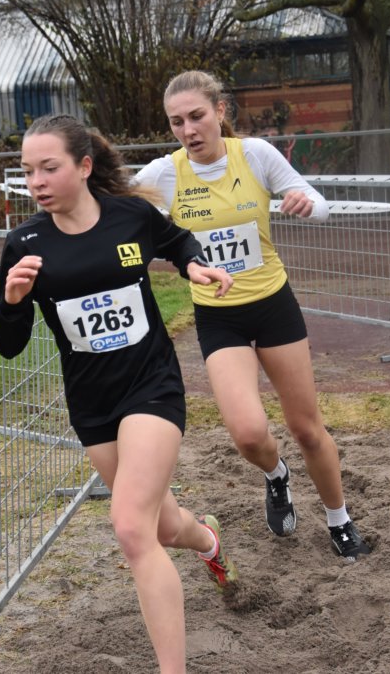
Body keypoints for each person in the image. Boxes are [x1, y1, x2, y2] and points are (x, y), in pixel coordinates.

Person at [0, 114, 237, 674]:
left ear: (83, 166)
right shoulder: (24, 243)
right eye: (28, 171)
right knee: (162, 528)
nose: (37, 181)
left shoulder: (129, 216)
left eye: (48, 168)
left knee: (129, 527)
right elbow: (8, 346)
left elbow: (176, 240)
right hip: (92, 404)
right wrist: (11, 301)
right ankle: (206, 540)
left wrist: (194, 265)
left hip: (151, 386)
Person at [135, 70, 371, 561]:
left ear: (220, 111)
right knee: (247, 434)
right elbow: (113, 209)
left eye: (197, 116)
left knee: (306, 428)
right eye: (176, 122)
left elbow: (320, 204)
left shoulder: (255, 155)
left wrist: (307, 202)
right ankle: (276, 474)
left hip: (272, 305)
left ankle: (339, 520)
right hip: (218, 317)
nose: (188, 130)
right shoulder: (164, 174)